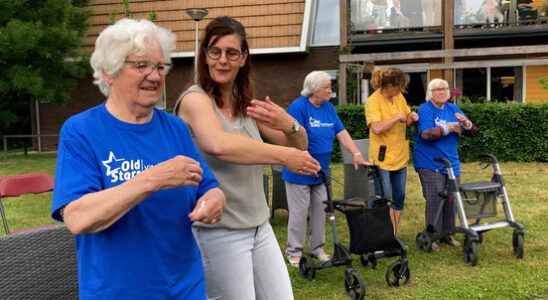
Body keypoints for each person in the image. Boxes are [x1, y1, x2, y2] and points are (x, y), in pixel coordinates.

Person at [50, 19, 225, 300]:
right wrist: (153, 179)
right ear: (109, 72)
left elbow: (207, 185)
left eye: (159, 66)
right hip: (116, 292)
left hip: (185, 288)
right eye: (141, 65)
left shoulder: (175, 128)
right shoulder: (81, 131)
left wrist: (214, 199)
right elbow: (78, 218)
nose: (155, 76)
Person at [174, 16, 320, 300]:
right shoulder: (194, 100)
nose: (222, 60)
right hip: (220, 231)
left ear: (243, 58)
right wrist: (283, 155)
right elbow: (219, 144)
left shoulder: (246, 105)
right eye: (214, 52)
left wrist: (289, 123)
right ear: (204, 56)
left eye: (231, 53)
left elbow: (300, 146)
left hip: (259, 227)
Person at [282, 71, 370, 267]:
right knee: (299, 212)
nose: (331, 90)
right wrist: (305, 159)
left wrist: (356, 152)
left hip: (322, 170)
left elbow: (341, 132)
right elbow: (293, 138)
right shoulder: (298, 107)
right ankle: (294, 251)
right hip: (300, 169)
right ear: (314, 90)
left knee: (321, 210)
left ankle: (317, 248)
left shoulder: (328, 107)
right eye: (327, 87)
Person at [413, 78, 476, 251]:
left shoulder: (452, 108)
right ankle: (432, 236)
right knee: (435, 198)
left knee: (451, 198)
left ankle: (447, 234)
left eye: (444, 88)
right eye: (437, 89)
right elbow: (425, 134)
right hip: (429, 161)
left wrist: (466, 124)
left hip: (451, 162)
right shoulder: (425, 109)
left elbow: (471, 130)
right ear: (430, 93)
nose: (442, 91)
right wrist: (448, 128)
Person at [365, 67, 418, 235]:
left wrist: (412, 117)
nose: (400, 91)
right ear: (388, 86)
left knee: (399, 197)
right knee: (383, 198)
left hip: (400, 156)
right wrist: (396, 118)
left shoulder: (399, 97)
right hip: (382, 159)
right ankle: (378, 233)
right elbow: (377, 128)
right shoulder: (373, 101)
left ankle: (392, 234)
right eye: (398, 87)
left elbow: (407, 118)